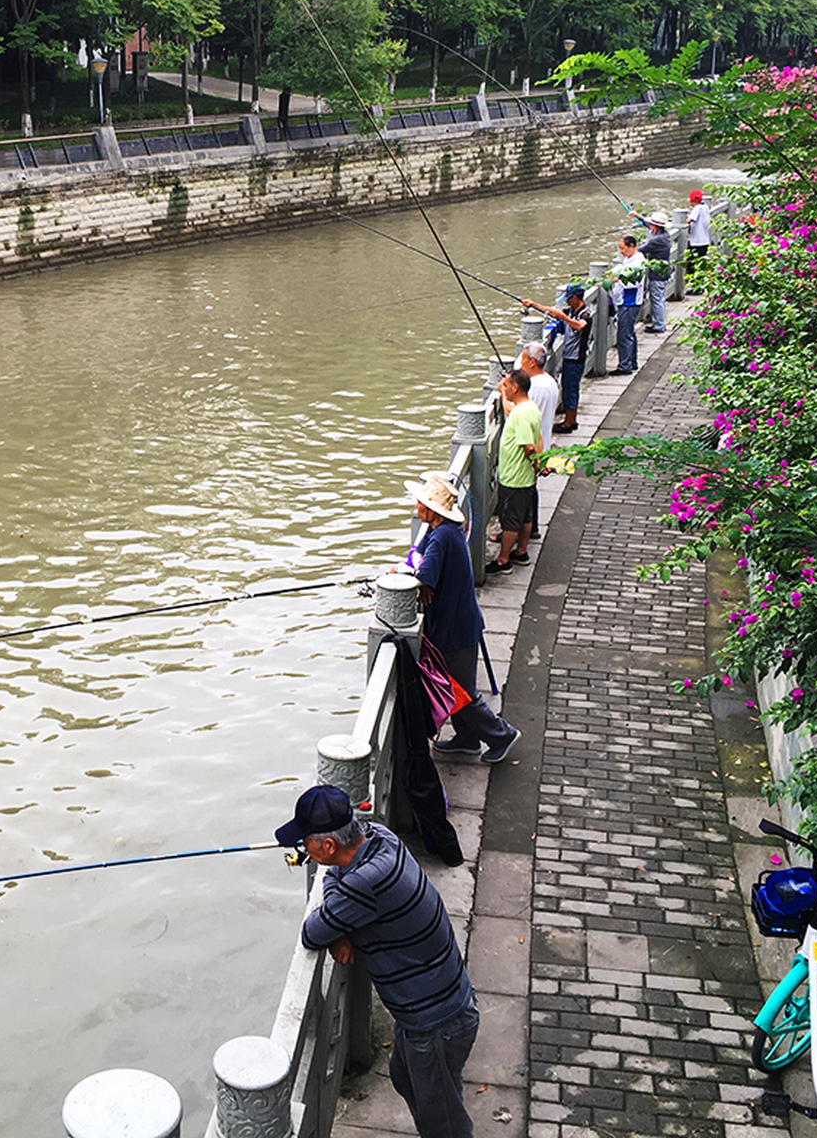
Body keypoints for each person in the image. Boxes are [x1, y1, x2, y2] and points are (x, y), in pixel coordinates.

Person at [276, 784, 479, 1138]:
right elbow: (338, 889)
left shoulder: (363, 885)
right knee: (404, 1078)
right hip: (436, 1005)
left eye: (304, 841)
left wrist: (338, 924)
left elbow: (312, 932)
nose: (301, 849)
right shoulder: (380, 837)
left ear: (327, 846)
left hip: (436, 1020)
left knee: (444, 1125)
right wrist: (343, 927)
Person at [404, 474, 521, 763]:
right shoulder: (440, 529)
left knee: (460, 691)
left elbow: (425, 576)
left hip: (454, 627)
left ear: (432, 509)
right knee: (452, 685)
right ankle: (467, 738)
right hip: (456, 621)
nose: (416, 506)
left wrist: (415, 580)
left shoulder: (442, 535)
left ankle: (502, 735)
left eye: (420, 502)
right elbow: (416, 559)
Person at [486, 369, 541, 577]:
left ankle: (503, 560)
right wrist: (502, 393)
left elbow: (528, 446)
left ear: (515, 387)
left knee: (510, 521)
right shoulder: (530, 408)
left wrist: (536, 463)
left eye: (507, 385)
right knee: (526, 517)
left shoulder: (520, 413)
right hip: (525, 477)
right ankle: (521, 551)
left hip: (514, 478)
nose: (506, 388)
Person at [521, 284, 590, 434]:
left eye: (568, 299)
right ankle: (571, 420)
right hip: (570, 356)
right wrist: (534, 304)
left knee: (570, 390)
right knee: (571, 389)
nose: (567, 302)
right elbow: (553, 311)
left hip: (575, 358)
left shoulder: (585, 314)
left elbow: (579, 326)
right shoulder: (572, 310)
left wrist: (563, 317)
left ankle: (569, 423)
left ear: (575, 298)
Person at [517, 341, 559, 537]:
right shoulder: (550, 381)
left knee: (525, 491)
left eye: (523, 359)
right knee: (531, 488)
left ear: (532, 362)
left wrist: (504, 393)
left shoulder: (533, 387)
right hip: (543, 442)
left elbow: (518, 412)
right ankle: (531, 527)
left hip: (532, 445)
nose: (521, 364)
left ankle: (524, 530)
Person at [607, 234, 645, 374]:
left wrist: (617, 279)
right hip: (625, 301)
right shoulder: (629, 258)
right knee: (629, 332)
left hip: (630, 301)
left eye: (623, 248)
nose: (621, 252)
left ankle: (625, 366)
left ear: (631, 246)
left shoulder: (638, 262)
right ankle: (631, 361)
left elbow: (634, 283)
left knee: (624, 334)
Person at [640, 211, 672, 332]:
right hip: (664, 273)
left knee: (657, 300)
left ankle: (659, 326)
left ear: (655, 226)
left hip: (658, 275)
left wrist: (627, 249)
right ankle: (660, 323)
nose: (650, 227)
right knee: (660, 299)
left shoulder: (656, 240)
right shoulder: (665, 235)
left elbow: (641, 250)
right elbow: (649, 226)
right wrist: (639, 217)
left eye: (651, 225)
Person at [686, 189, 711, 290]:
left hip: (696, 242)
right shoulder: (706, 207)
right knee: (701, 266)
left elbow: (689, 220)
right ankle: (700, 287)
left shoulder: (697, 208)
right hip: (705, 240)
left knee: (692, 266)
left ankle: (695, 288)